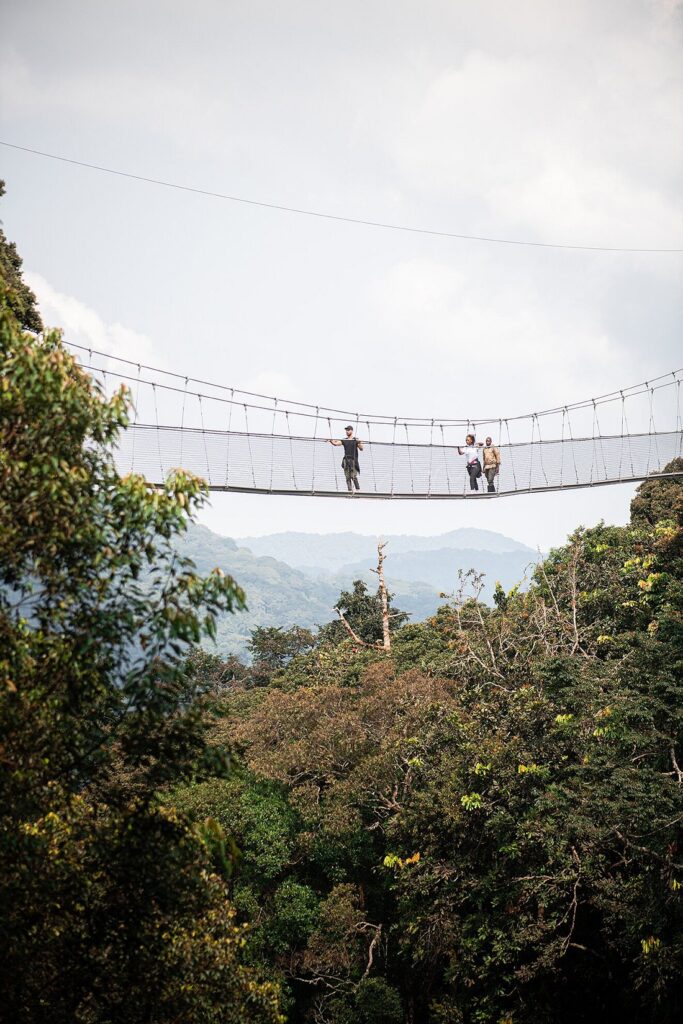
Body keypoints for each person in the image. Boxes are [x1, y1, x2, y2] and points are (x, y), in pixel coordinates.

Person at [329, 425, 363, 494]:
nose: (347, 431)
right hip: (346, 460)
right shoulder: (345, 440)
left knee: (353, 476)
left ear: (352, 431)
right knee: (347, 477)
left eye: (348, 430)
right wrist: (331, 441)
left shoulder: (355, 440)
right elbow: (336, 444)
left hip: (353, 460)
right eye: (346, 430)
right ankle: (350, 490)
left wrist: (359, 442)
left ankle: (358, 490)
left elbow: (361, 448)